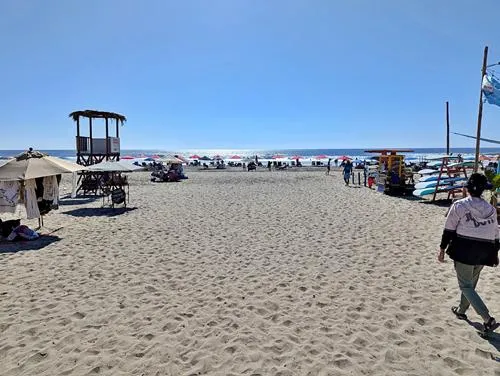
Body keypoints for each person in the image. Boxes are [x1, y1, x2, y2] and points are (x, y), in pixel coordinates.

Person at [438, 173, 498, 333]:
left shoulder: (459, 205)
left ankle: (487, 319)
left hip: (464, 250)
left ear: (468, 189)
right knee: (470, 285)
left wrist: (442, 249)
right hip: (485, 251)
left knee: (465, 285)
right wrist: (495, 254)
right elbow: (496, 233)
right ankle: (461, 311)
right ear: (483, 190)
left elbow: (449, 229)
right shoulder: (491, 209)